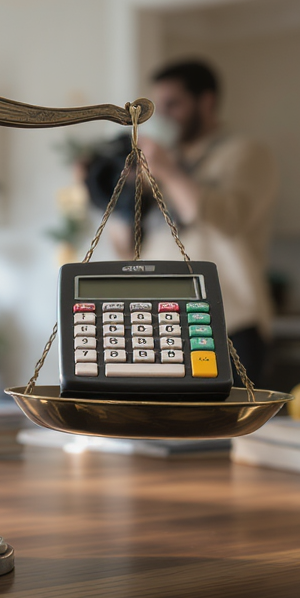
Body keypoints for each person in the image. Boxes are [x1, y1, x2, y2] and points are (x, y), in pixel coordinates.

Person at [123, 59, 278, 385]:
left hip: (228, 324)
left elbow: (228, 219)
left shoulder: (245, 153)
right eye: (157, 106)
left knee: (223, 433)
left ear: (206, 101)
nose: (162, 116)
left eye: (173, 104)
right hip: (160, 327)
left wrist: (166, 170)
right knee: (161, 433)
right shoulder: (161, 164)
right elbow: (126, 248)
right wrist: (117, 192)